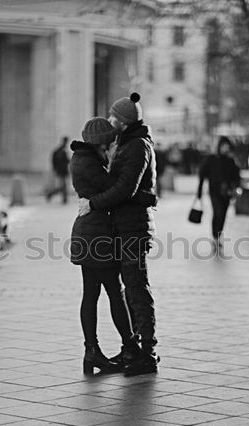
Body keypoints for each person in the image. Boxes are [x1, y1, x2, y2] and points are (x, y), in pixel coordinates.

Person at [78, 92, 159, 376]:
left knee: (137, 289)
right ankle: (133, 349)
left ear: (124, 121)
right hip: (124, 228)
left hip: (133, 230)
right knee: (130, 290)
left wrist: (93, 203)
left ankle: (147, 353)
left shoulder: (137, 146)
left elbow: (126, 188)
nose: (110, 121)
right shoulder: (128, 142)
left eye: (114, 117)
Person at [197, 136, 241, 250]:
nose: (225, 148)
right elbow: (202, 174)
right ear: (219, 146)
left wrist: (236, 186)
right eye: (224, 146)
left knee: (223, 214)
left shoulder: (231, 160)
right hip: (214, 191)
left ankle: (218, 234)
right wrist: (199, 190)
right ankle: (215, 236)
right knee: (218, 212)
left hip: (227, 192)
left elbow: (236, 176)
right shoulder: (211, 159)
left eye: (227, 146)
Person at [47, 136, 70, 204]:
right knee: (62, 186)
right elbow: (60, 161)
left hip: (62, 170)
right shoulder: (60, 151)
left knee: (63, 185)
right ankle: (52, 194)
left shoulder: (60, 150)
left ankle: (64, 198)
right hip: (61, 171)